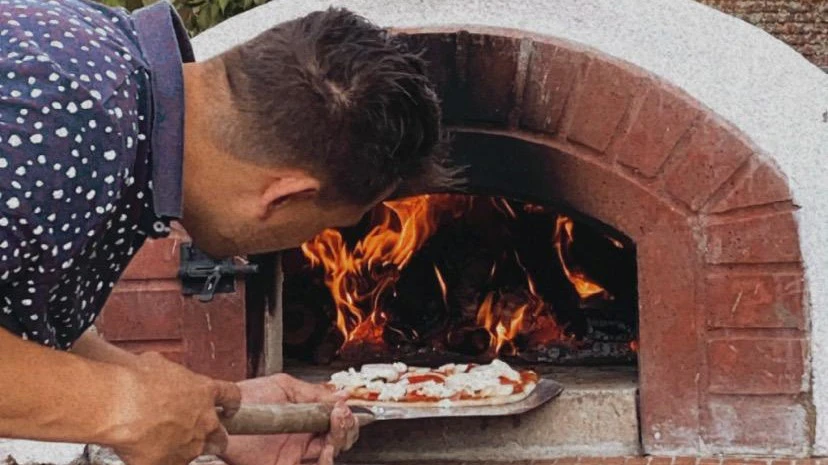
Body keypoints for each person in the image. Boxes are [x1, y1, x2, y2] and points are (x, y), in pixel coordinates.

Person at [0, 0, 456, 464]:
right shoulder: (70, 117)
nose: (305, 243)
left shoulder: (118, 92)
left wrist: (220, 418)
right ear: (283, 197)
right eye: (324, 227)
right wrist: (118, 404)